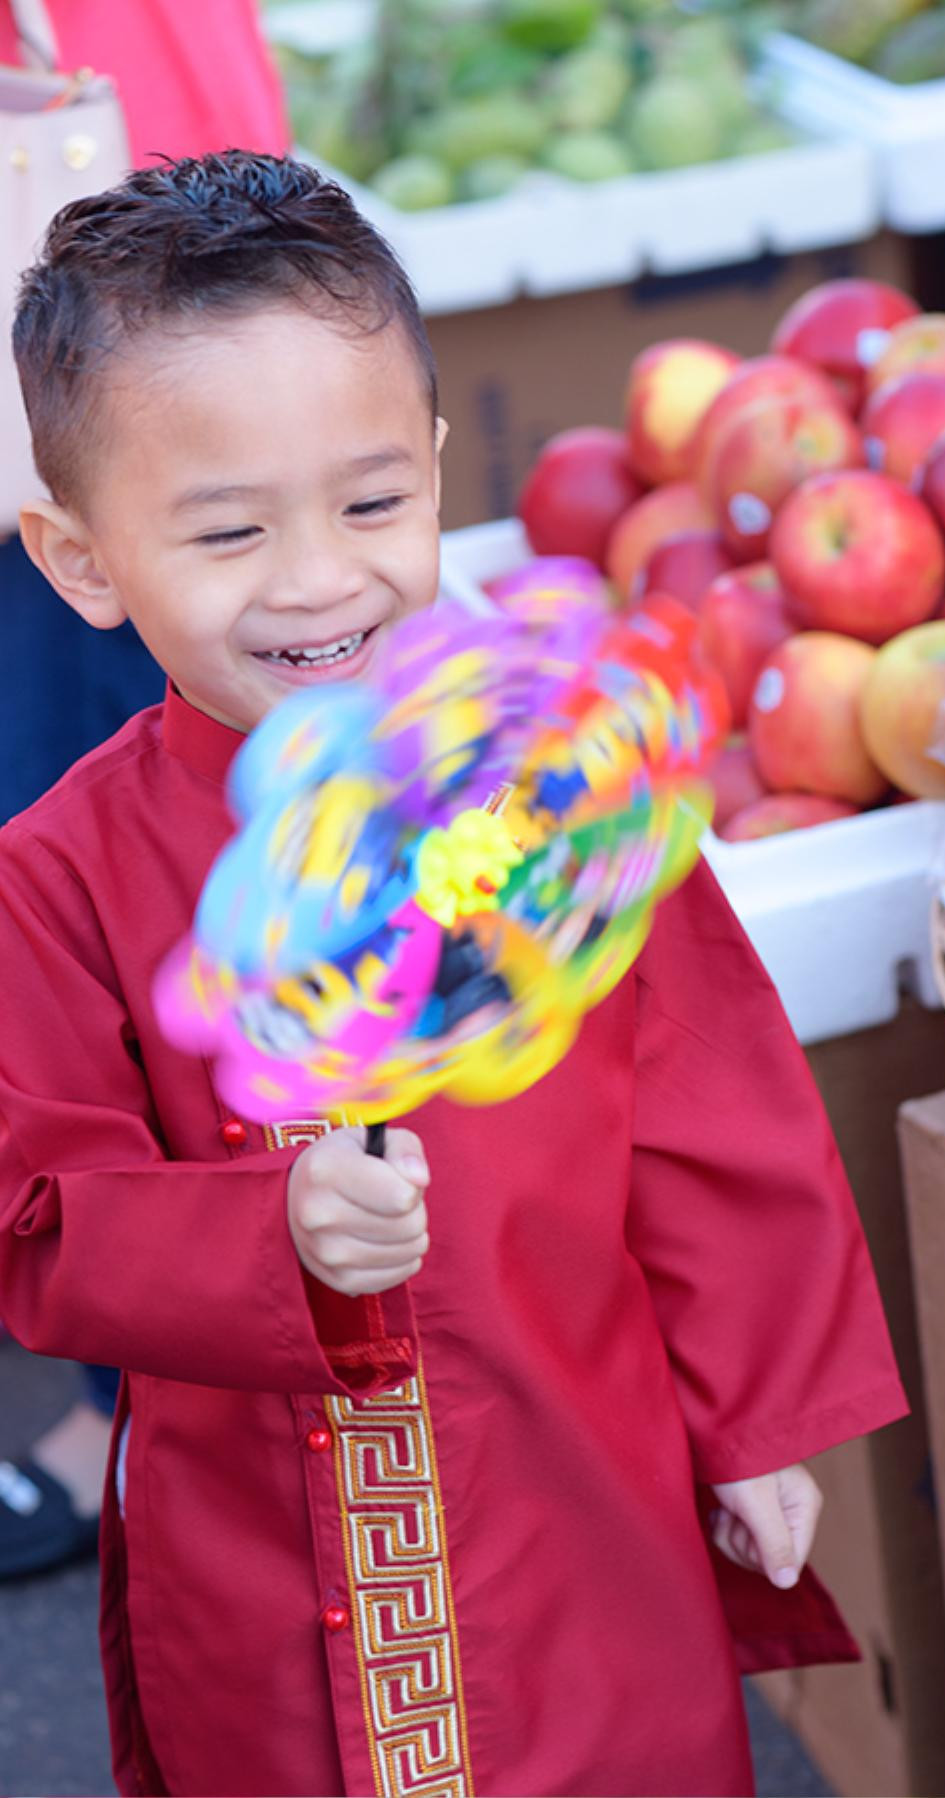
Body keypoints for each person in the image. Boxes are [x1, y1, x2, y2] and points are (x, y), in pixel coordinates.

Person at [0, 152, 906, 1798]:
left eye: (369, 503)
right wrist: (261, 1233)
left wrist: (760, 1413)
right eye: (225, 530)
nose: (316, 579)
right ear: (80, 558)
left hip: (582, 1490)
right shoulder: (58, 876)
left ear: (432, 469)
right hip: (254, 1570)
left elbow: (710, 1101)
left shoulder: (550, 782)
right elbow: (40, 1212)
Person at [0, 0, 290, 1578]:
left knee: (175, 854)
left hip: (142, 227)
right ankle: (167, 1383)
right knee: (124, 872)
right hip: (111, 234)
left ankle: (178, 1392)